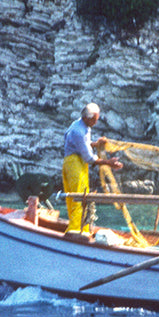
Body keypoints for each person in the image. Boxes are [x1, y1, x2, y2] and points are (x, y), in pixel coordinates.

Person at [61, 102, 123, 238]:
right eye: (95, 119)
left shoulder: (79, 125)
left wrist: (95, 144)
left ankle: (82, 228)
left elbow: (81, 145)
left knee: (78, 197)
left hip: (74, 162)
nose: (96, 122)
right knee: (80, 197)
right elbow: (89, 158)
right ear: (87, 118)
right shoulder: (79, 131)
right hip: (74, 163)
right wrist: (108, 163)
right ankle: (75, 232)